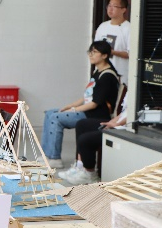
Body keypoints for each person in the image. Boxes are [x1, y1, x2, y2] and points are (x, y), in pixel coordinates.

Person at [40, 41, 119, 169]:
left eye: (94, 52)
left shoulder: (107, 76)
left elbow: (94, 104)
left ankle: (54, 158)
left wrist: (73, 110)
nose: (90, 55)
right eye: (90, 52)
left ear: (105, 55)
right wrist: (69, 106)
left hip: (95, 114)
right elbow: (86, 97)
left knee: (56, 118)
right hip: (87, 110)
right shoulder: (97, 72)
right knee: (50, 113)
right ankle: (47, 155)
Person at [59, 92, 128, 185]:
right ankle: (80, 166)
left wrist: (117, 124)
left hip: (125, 127)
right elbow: (124, 112)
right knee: (81, 124)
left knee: (85, 139)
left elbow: (133, 115)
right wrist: (111, 123)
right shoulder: (129, 90)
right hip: (119, 122)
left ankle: (90, 175)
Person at [95, 0, 130, 84]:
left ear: (123, 10)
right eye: (109, 6)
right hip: (101, 73)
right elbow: (95, 48)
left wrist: (112, 52)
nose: (110, 9)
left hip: (120, 74)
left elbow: (131, 54)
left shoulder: (129, 28)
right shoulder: (103, 26)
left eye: (114, 6)